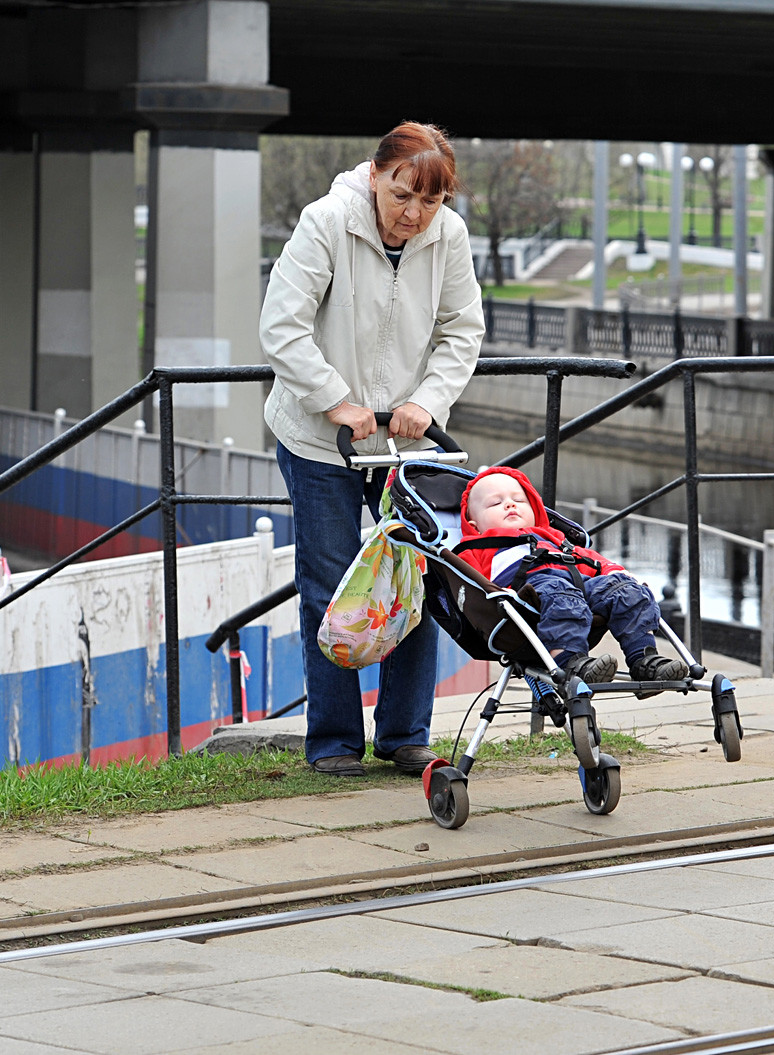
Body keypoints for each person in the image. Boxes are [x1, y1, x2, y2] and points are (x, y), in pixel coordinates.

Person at [260, 121, 485, 777]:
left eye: (430, 201)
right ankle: (333, 739)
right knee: (329, 585)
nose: (413, 214)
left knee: (415, 580)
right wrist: (336, 398)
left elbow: (462, 330)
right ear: (376, 174)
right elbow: (282, 325)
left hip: (406, 440)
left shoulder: (449, 238)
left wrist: (429, 403)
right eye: (401, 194)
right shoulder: (328, 222)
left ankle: (404, 733)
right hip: (321, 439)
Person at [455, 466, 690, 684]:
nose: (510, 505)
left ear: (535, 509)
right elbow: (469, 581)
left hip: (579, 581)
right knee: (562, 596)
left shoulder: (554, 539)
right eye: (496, 503)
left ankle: (644, 659)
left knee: (627, 591)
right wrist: (497, 594)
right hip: (531, 592)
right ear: (475, 525)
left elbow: (591, 559)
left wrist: (616, 572)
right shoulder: (478, 547)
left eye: (518, 500)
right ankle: (570, 662)